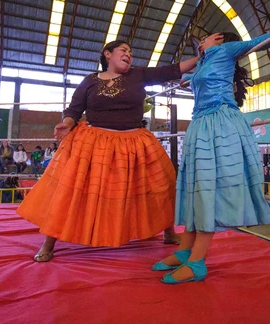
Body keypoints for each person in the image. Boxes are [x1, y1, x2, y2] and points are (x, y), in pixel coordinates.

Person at [17, 39, 204, 262]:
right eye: (123, 50)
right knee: (71, 191)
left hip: (136, 142)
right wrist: (67, 123)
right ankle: (49, 242)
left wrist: (201, 58)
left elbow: (172, 70)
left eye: (131, 52)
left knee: (159, 185)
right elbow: (74, 109)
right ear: (108, 54)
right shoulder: (90, 80)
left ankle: (168, 231)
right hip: (95, 142)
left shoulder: (138, 75)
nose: (129, 54)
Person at [154, 24, 270, 284]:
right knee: (197, 188)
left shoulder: (225, 50)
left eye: (205, 38)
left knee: (211, 188)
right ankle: (185, 251)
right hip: (200, 124)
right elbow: (192, 80)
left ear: (218, 38)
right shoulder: (205, 61)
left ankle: (197, 261)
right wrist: (191, 73)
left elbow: (260, 41)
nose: (201, 41)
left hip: (220, 123)